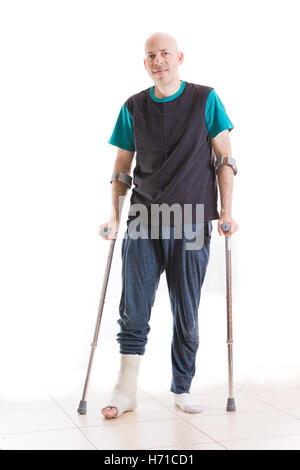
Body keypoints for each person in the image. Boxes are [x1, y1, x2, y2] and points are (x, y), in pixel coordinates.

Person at [99, 32, 238, 419]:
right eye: (151, 56)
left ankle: (182, 387)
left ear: (178, 58)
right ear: (145, 63)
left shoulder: (206, 99)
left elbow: (225, 158)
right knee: (134, 308)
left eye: (164, 54)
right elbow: (121, 168)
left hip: (191, 218)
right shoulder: (133, 106)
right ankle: (125, 391)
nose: (158, 61)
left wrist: (226, 213)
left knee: (186, 311)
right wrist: (113, 215)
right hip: (143, 217)